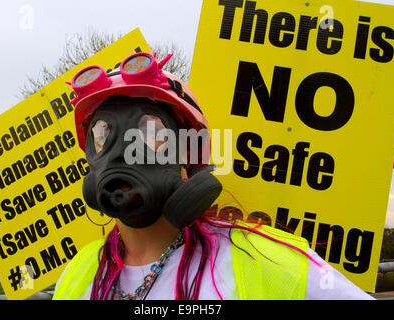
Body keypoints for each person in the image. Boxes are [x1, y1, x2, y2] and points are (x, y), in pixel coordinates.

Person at [53, 52, 373, 300]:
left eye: (150, 131)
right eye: (103, 134)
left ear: (190, 154)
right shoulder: (79, 274)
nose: (125, 152)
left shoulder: (266, 259)